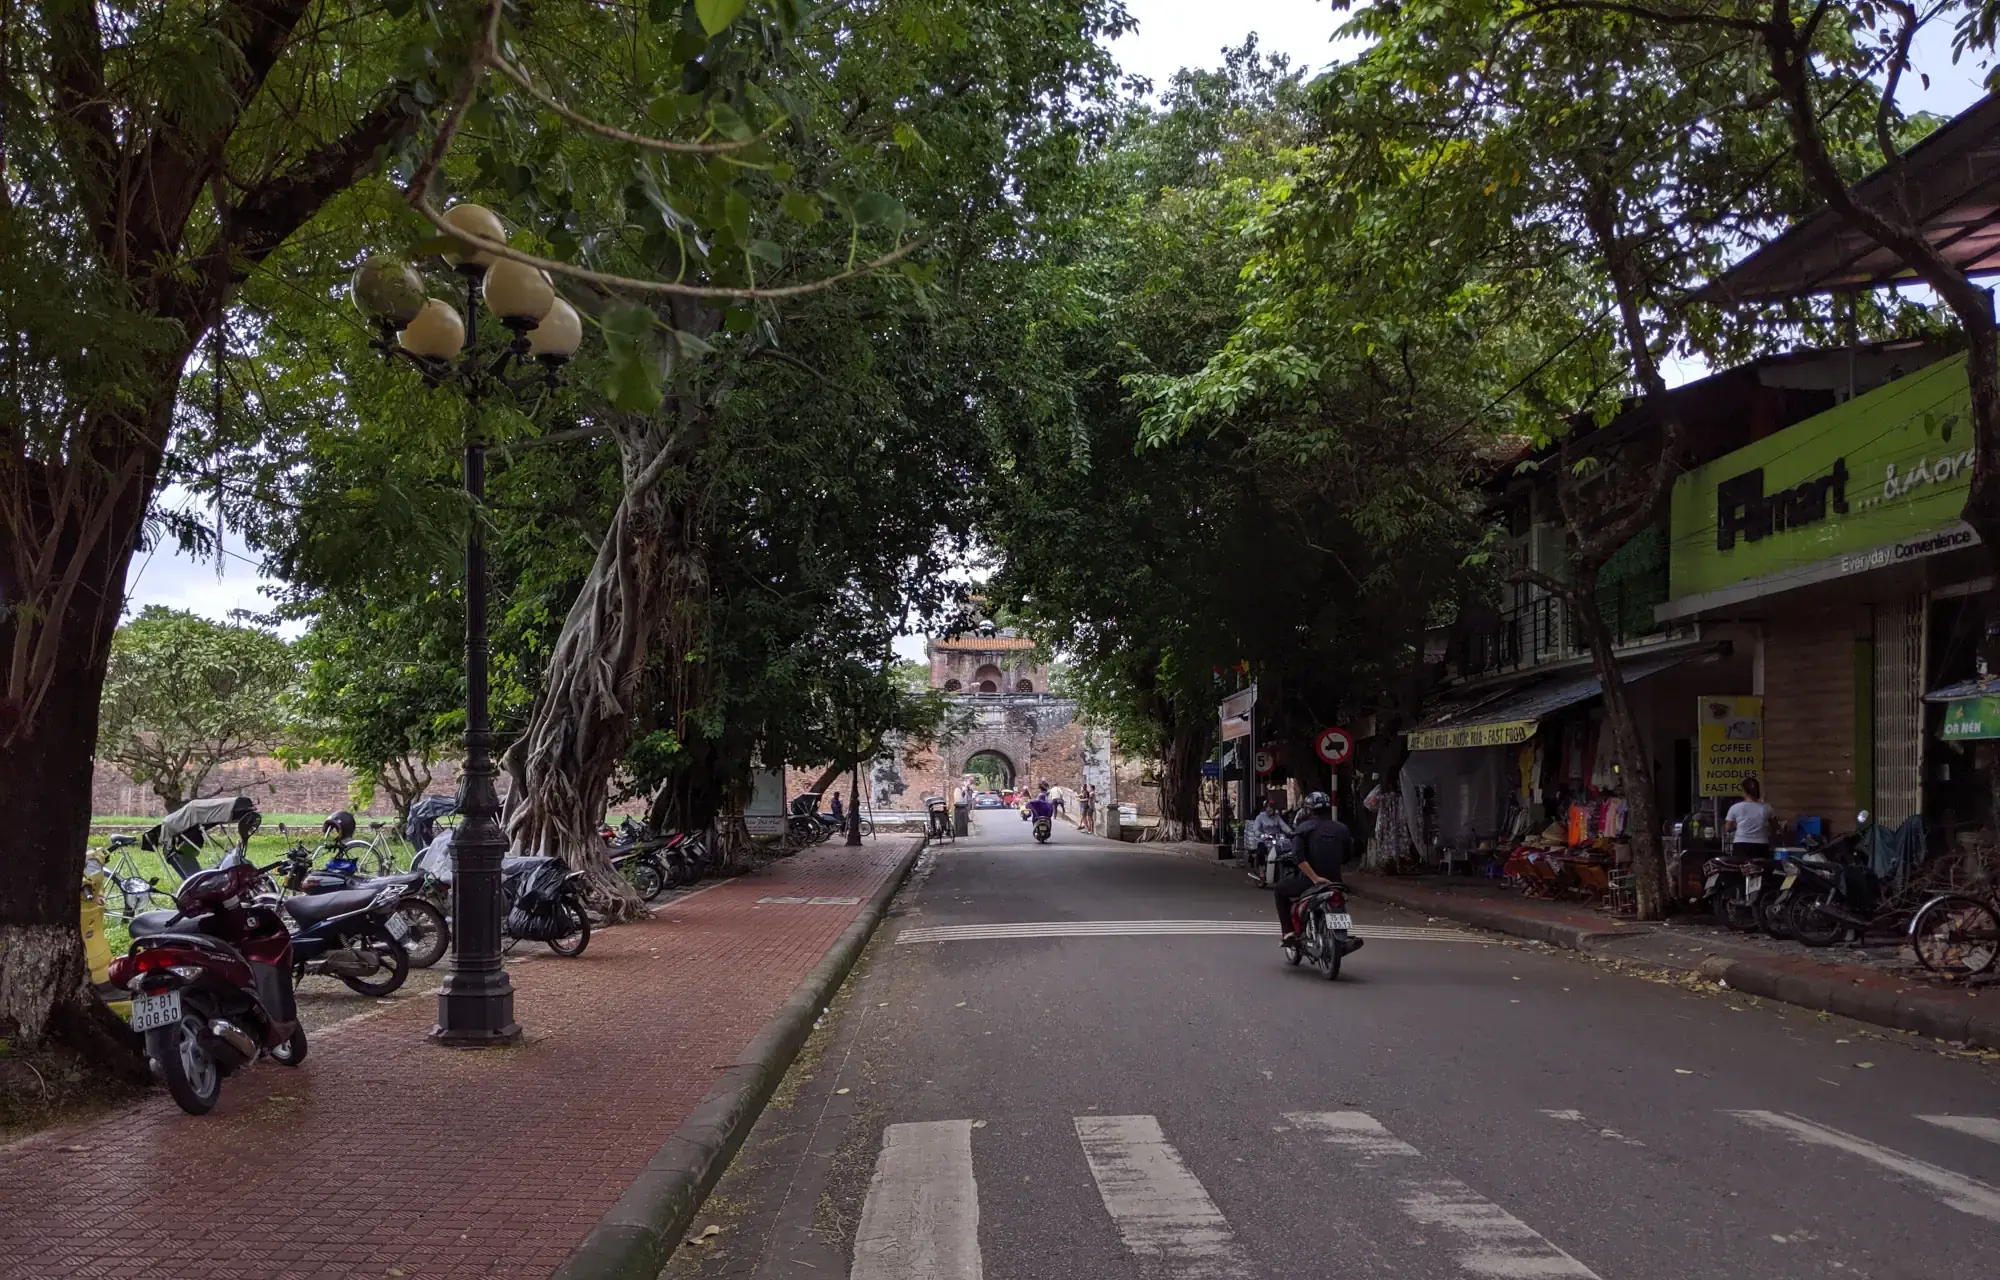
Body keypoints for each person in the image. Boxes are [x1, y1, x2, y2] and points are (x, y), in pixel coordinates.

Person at [1273, 791, 1360, 953]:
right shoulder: (1342, 829)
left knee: (1279, 890)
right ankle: (1342, 937)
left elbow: (1298, 858)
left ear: (1308, 810)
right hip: (1335, 880)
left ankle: (1289, 932)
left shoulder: (1304, 828)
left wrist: (1315, 878)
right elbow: (1347, 856)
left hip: (1309, 880)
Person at [1724, 776, 1777, 860]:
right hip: (1761, 844)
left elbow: (1727, 828)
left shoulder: (1735, 807)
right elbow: (1775, 827)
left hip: (1741, 844)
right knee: (1761, 870)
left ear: (1743, 791)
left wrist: (1735, 825)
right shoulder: (1767, 807)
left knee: (1741, 870)